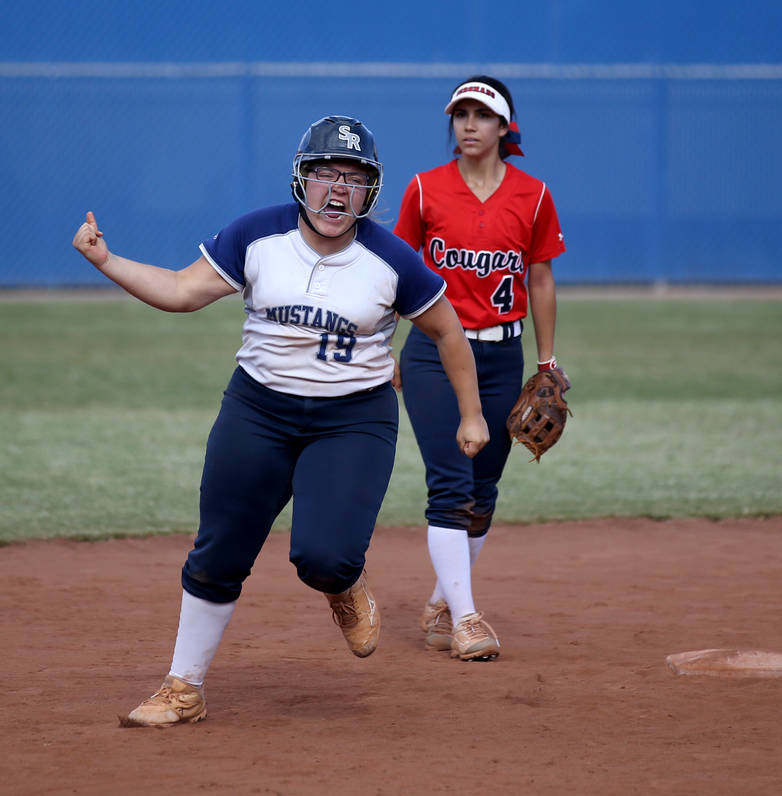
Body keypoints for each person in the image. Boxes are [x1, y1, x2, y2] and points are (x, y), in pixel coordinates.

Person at [71, 115, 489, 726]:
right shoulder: (258, 236)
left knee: (324, 556)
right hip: (257, 409)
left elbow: (448, 331)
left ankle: (343, 583)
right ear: (302, 179)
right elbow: (183, 292)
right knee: (219, 549)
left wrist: (472, 415)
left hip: (352, 420)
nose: (336, 190)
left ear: (371, 191)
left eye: (353, 177)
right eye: (324, 173)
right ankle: (183, 686)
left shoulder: (389, 258)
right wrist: (106, 260)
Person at [393, 75, 567, 661]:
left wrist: (545, 363)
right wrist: (382, 350)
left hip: (500, 355)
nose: (468, 124)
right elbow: (395, 275)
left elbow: (539, 279)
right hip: (435, 353)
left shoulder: (534, 196)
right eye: (460, 114)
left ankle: (443, 600)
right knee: (450, 481)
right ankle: (468, 619)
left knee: (483, 490)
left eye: (480, 114)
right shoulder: (423, 190)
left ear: (503, 128)